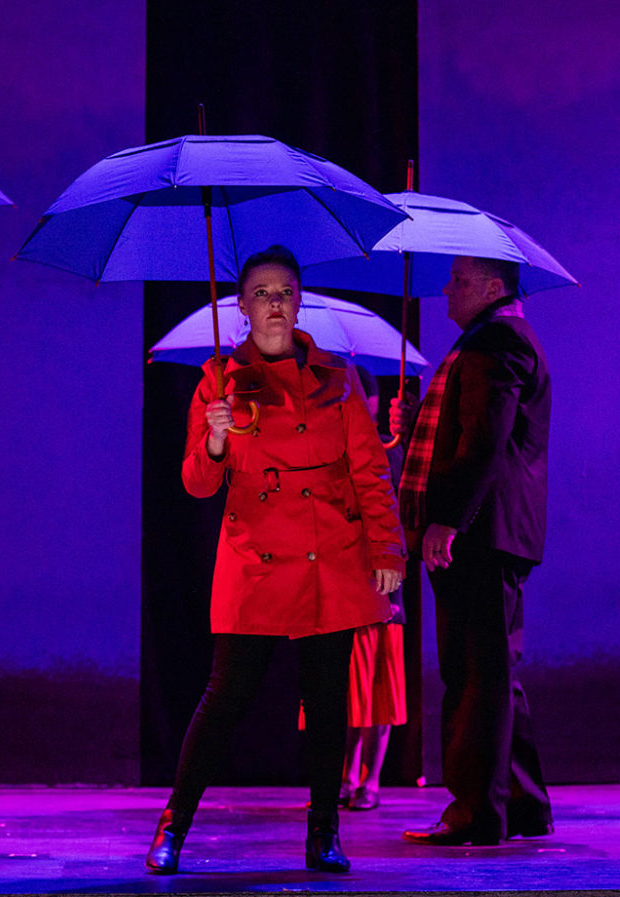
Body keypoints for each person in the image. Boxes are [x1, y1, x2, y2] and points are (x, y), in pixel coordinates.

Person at [145, 245, 405, 875]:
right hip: (255, 558)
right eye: (261, 294)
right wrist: (214, 438)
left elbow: (370, 471)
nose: (274, 305)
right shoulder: (220, 381)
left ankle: (325, 833)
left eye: (284, 292)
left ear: (299, 301)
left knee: (327, 701)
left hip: (329, 554)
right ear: (241, 306)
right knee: (225, 697)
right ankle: (174, 825)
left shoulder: (337, 378)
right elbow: (196, 485)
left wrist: (387, 546)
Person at [396, 256, 553, 846]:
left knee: (473, 677)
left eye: (460, 280)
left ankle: (475, 814)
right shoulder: (496, 339)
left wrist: (448, 521)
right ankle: (524, 807)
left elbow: (485, 440)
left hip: (480, 534)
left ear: (492, 287)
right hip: (491, 532)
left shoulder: (496, 342)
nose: (447, 288)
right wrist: (417, 422)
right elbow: (471, 430)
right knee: (493, 673)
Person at [337, 367, 407, 812]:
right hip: (344, 588)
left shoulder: (390, 451)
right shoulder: (334, 447)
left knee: (379, 692)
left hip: (383, 589)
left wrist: (392, 596)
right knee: (347, 693)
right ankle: (346, 776)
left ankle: (371, 779)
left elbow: (397, 521)